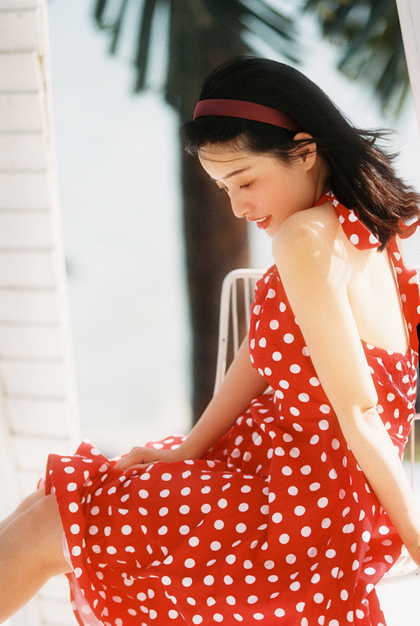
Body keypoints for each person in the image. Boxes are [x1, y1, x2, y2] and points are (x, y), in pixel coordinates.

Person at [1, 56, 420, 626]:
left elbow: (362, 415)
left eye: (246, 181)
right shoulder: (368, 225)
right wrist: (189, 447)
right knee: (51, 505)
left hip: (301, 518)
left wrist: (416, 540)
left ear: (304, 151)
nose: (238, 207)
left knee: (47, 525)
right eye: (224, 188)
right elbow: (263, 351)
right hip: (296, 482)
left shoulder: (304, 239)